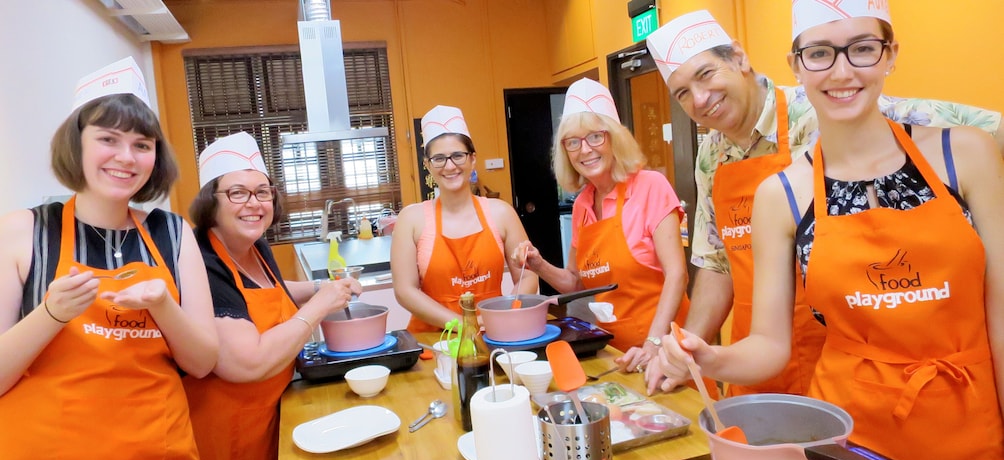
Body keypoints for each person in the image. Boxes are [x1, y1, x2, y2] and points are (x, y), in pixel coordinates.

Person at [656, 2, 1004, 460]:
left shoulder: (965, 153)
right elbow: (750, 311)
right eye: (820, 54)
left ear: (889, 54)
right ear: (797, 64)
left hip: (967, 423)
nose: (842, 72)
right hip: (844, 431)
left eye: (863, 48)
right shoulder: (774, 188)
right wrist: (706, 353)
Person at [644, 9, 1004, 397]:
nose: (700, 99)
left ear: (739, 58)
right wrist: (686, 352)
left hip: (862, 359)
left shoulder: (830, 103)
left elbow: (987, 128)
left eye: (706, 74)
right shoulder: (711, 156)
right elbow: (716, 261)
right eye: (682, 93)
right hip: (762, 359)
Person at [0, 57, 219, 460]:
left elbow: (203, 361)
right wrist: (50, 314)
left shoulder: (172, 233)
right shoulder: (24, 233)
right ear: (75, 144)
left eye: (142, 145)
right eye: (108, 139)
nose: (126, 157)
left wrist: (164, 305)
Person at [184, 132, 361, 460]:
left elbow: (272, 291)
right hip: (229, 434)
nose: (253, 203)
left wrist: (320, 286)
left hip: (274, 420)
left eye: (262, 191)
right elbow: (248, 361)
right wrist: (320, 306)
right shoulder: (203, 260)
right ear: (212, 200)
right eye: (238, 192)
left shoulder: (253, 245)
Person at [514, 78, 691, 381]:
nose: (585, 150)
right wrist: (538, 264)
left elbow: (677, 274)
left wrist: (655, 343)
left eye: (595, 136)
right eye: (573, 142)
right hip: (615, 355)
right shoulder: (583, 204)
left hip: (667, 351)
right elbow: (575, 283)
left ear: (615, 139)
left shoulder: (651, 187)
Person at [392, 105, 537, 332]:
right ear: (427, 165)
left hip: (493, 332)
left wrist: (504, 314)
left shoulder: (501, 213)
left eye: (458, 155)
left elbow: (527, 276)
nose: (450, 166)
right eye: (439, 158)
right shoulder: (411, 219)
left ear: (473, 159)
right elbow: (404, 290)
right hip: (433, 340)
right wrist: (462, 325)